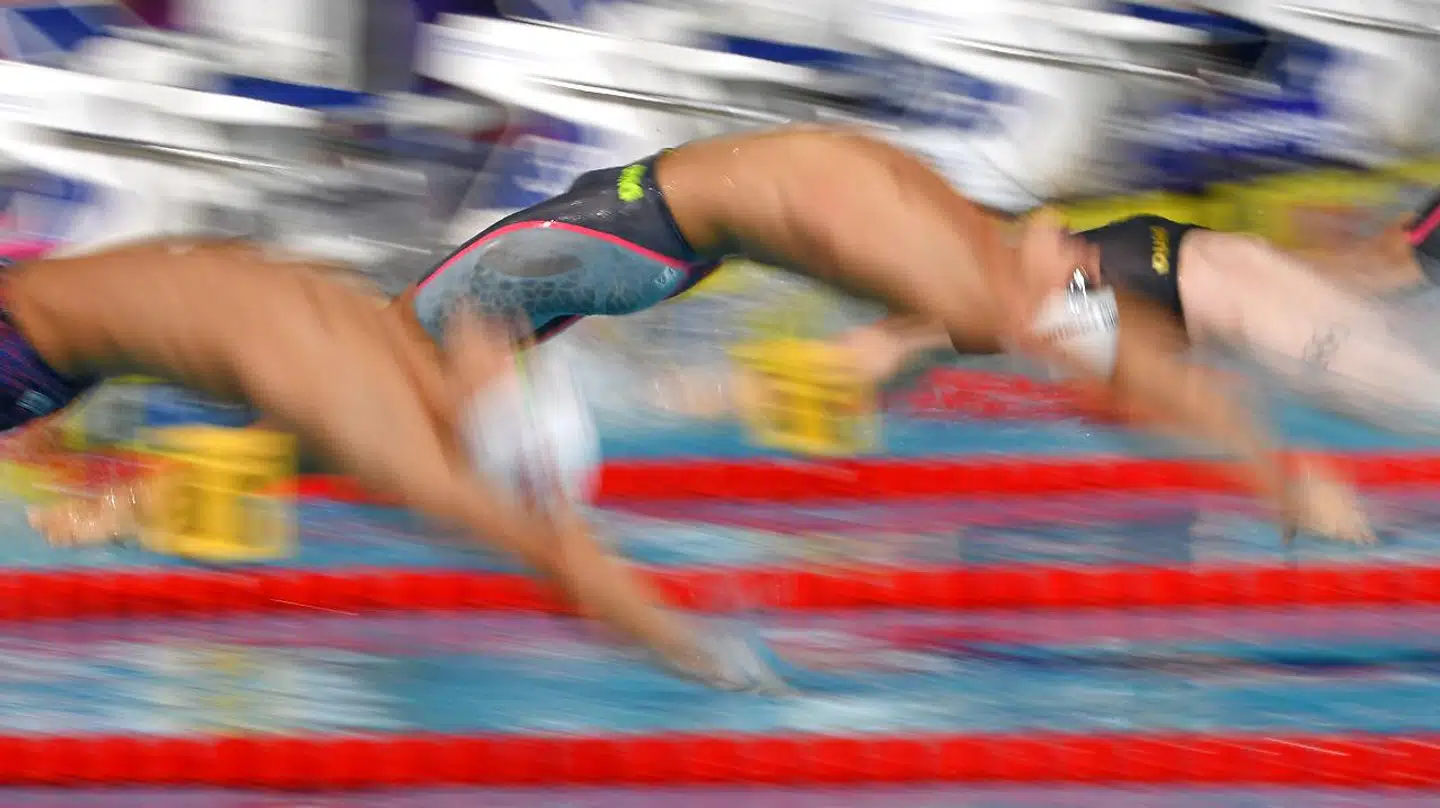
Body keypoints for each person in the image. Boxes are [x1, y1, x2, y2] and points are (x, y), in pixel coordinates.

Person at [11, 125, 1370, 695]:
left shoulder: (391, 373)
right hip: (566, 271)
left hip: (590, 259)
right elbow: (543, 545)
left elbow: (1086, 343)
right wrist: (713, 664)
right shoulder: (401, 382)